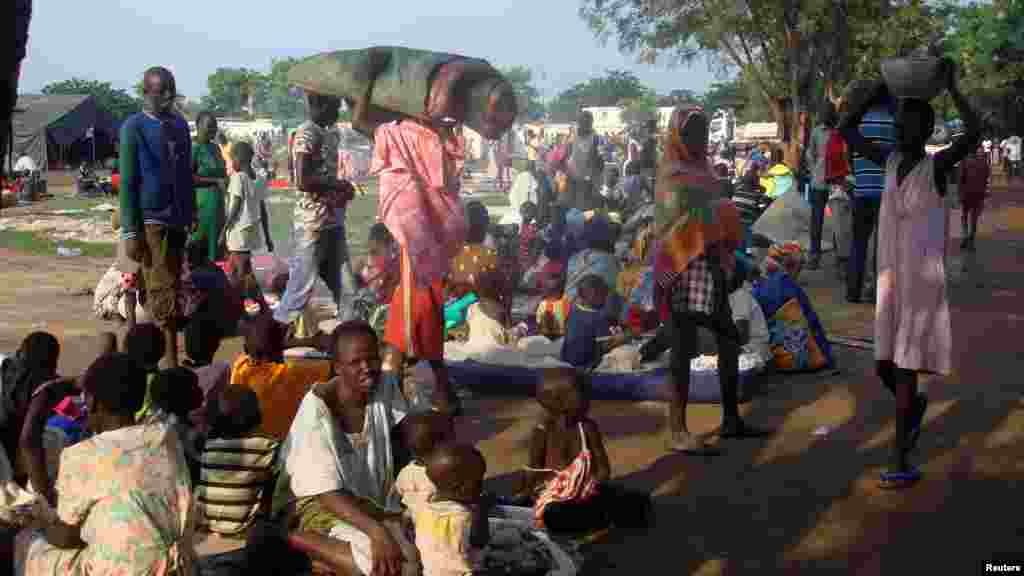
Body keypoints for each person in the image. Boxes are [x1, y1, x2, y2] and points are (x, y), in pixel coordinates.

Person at [839, 62, 980, 489]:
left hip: (920, 282)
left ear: (927, 130)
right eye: (899, 121)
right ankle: (914, 409)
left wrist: (952, 88)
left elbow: (974, 132)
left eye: (909, 123)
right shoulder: (888, 161)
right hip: (889, 281)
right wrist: (879, 87)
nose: (900, 128)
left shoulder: (936, 167)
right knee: (884, 365)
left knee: (903, 369)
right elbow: (846, 128)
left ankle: (900, 459)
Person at [14, 353, 196, 576]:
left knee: (27, 542)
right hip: (180, 565)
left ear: (91, 402)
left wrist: (41, 522)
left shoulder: (81, 455)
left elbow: (66, 537)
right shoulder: (165, 437)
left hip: (125, 571)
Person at [654, 106, 769, 455]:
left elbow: (715, 216)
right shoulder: (671, 174)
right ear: (678, 136)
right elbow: (672, 224)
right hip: (682, 265)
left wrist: (727, 250)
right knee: (682, 346)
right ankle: (678, 430)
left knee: (728, 337)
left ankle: (731, 419)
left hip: (711, 264)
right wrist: (718, 213)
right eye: (691, 133)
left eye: (702, 133)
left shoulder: (705, 171)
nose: (698, 139)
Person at [272, 323, 418, 576]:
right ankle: (296, 540)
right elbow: (325, 492)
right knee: (388, 569)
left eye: (372, 358)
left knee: (414, 560)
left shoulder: (384, 386)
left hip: (364, 500)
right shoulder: (317, 411)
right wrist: (376, 531)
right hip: (316, 504)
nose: (367, 368)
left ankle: (328, 559)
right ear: (337, 367)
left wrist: (411, 496)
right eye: (355, 362)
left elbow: (402, 444)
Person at [357, 82, 463, 415]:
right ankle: (443, 395)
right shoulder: (440, 135)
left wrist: (365, 85)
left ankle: (388, 405)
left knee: (402, 331)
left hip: (414, 241)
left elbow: (359, 121)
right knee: (425, 320)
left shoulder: (395, 133)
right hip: (435, 241)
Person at [119, 66, 194, 368]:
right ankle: (169, 360)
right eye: (161, 90)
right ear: (146, 92)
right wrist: (130, 231)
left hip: (177, 219)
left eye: (171, 90)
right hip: (151, 220)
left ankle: (158, 355)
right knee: (161, 285)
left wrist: (191, 210)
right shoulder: (134, 127)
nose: (168, 96)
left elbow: (185, 172)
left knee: (172, 284)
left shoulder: (179, 126)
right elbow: (127, 181)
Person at [520, 368, 649, 533]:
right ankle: (594, 520)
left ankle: (593, 519)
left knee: (635, 501)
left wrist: (590, 485)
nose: (589, 401)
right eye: (583, 395)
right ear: (558, 401)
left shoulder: (587, 428)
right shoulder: (542, 431)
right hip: (554, 496)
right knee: (554, 513)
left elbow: (603, 469)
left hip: (585, 493)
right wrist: (528, 493)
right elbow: (534, 469)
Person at [273, 92, 357, 333]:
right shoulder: (307, 133)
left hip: (331, 222)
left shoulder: (328, 133)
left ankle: (349, 339)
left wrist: (340, 191)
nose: (338, 113)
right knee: (299, 290)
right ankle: (273, 338)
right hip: (312, 225)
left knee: (347, 289)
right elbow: (302, 180)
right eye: (335, 107)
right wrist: (338, 185)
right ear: (319, 105)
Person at [229, 307, 332, 439]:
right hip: (285, 441)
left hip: (254, 438)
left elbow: (262, 345)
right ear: (283, 343)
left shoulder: (240, 366)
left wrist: (298, 342)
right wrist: (311, 342)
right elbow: (335, 367)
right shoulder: (292, 372)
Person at [197, 386, 279, 536]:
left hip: (209, 525)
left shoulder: (209, 446)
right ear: (256, 415)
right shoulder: (267, 446)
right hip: (244, 528)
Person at [845, 80, 897, 304]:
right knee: (882, 244)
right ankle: (876, 291)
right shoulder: (894, 122)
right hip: (886, 192)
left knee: (858, 243)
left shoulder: (858, 123)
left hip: (862, 191)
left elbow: (850, 158)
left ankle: (853, 291)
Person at [415, 444, 492, 576]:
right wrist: (482, 511)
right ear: (458, 488)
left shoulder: (423, 510)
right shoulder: (465, 516)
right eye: (478, 482)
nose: (482, 487)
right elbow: (480, 541)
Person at [220, 140, 274, 303]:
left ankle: (252, 302)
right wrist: (268, 237)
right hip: (252, 232)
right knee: (240, 268)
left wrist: (223, 230)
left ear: (239, 159)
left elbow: (235, 208)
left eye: (232, 160)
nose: (231, 164)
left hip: (238, 231)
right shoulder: (259, 179)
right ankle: (242, 301)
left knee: (241, 272)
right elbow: (263, 211)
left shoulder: (238, 178)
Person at [394, 412, 454, 514]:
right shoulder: (446, 470)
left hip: (416, 519)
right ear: (440, 445)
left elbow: (399, 498)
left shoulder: (405, 473)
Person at [560, 275, 625, 369]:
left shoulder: (572, 311)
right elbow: (605, 346)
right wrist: (622, 339)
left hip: (567, 364)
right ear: (594, 294)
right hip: (587, 367)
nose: (606, 300)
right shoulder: (598, 318)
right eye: (604, 295)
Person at [190, 110, 228, 266]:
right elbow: (187, 178)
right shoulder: (193, 148)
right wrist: (215, 181)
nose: (213, 130)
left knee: (217, 247)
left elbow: (222, 173)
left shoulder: (215, 148)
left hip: (218, 204)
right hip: (201, 205)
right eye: (209, 126)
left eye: (215, 127)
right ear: (198, 126)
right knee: (200, 246)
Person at [805, 101, 839, 269]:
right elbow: (809, 153)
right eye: (823, 112)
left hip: (836, 183)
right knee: (816, 221)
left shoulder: (840, 130)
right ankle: (814, 256)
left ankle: (840, 257)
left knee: (839, 221)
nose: (825, 114)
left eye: (828, 112)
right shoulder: (816, 132)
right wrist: (814, 170)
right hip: (818, 183)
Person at [565, 111, 604, 211]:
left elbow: (599, 160)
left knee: (585, 207)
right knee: (573, 207)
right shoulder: (572, 136)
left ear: (591, 123)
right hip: (573, 178)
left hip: (588, 180)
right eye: (582, 122)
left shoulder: (596, 138)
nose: (585, 125)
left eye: (588, 122)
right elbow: (567, 155)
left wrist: (595, 179)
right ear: (579, 123)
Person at [958, 143, 989, 252]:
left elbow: (960, 179)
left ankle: (966, 237)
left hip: (968, 193)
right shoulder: (984, 163)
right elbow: (986, 180)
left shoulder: (965, 161)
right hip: (976, 194)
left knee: (966, 216)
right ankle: (970, 239)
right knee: (972, 218)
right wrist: (984, 194)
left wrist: (959, 194)